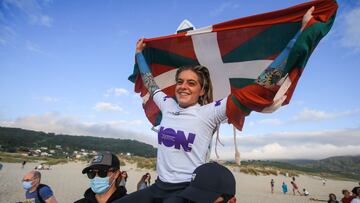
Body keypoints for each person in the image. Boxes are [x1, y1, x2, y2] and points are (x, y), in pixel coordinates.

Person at [115, 7, 315, 203]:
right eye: (180, 82)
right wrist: (139, 54)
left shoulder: (209, 113)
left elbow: (262, 84)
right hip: (158, 186)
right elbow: (149, 82)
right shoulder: (167, 104)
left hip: (186, 190)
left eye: (191, 83)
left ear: (202, 91)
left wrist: (299, 35)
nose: (183, 87)